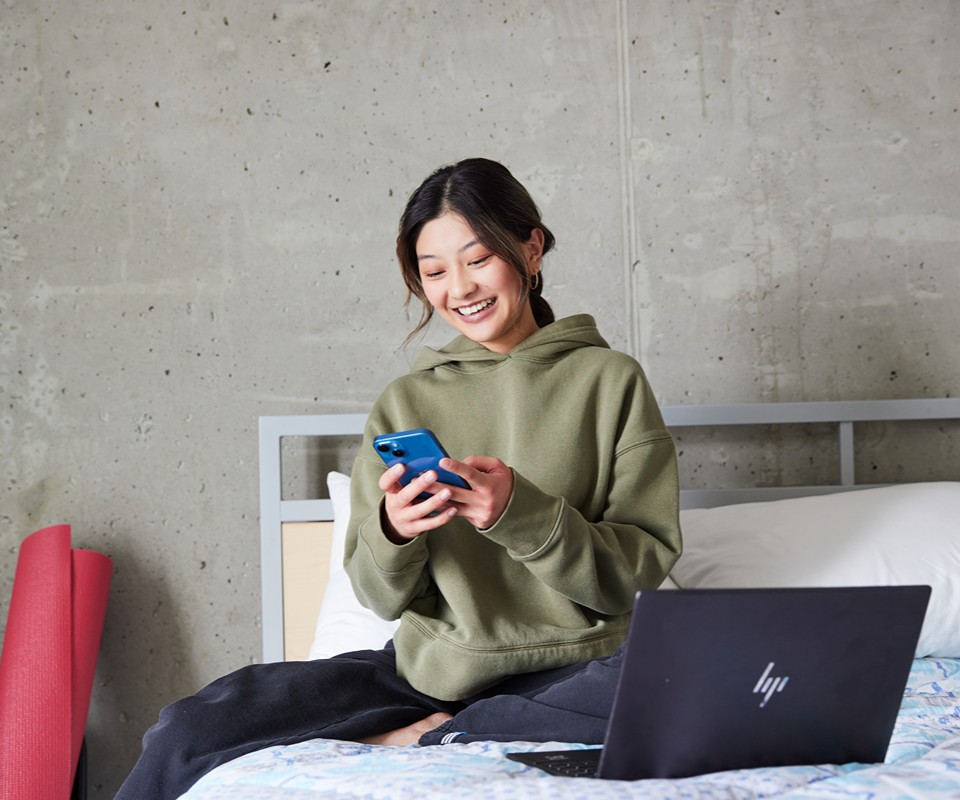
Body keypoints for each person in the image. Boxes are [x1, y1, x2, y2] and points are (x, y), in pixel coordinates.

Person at [114, 157, 681, 799]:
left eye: (478, 259)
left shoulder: (611, 381)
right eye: (434, 272)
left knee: (684, 681)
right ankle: (444, 725)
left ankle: (441, 736)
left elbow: (636, 574)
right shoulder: (405, 401)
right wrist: (394, 530)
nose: (459, 288)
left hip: (575, 673)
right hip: (428, 676)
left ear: (531, 249)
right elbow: (377, 595)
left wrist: (517, 515)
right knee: (190, 728)